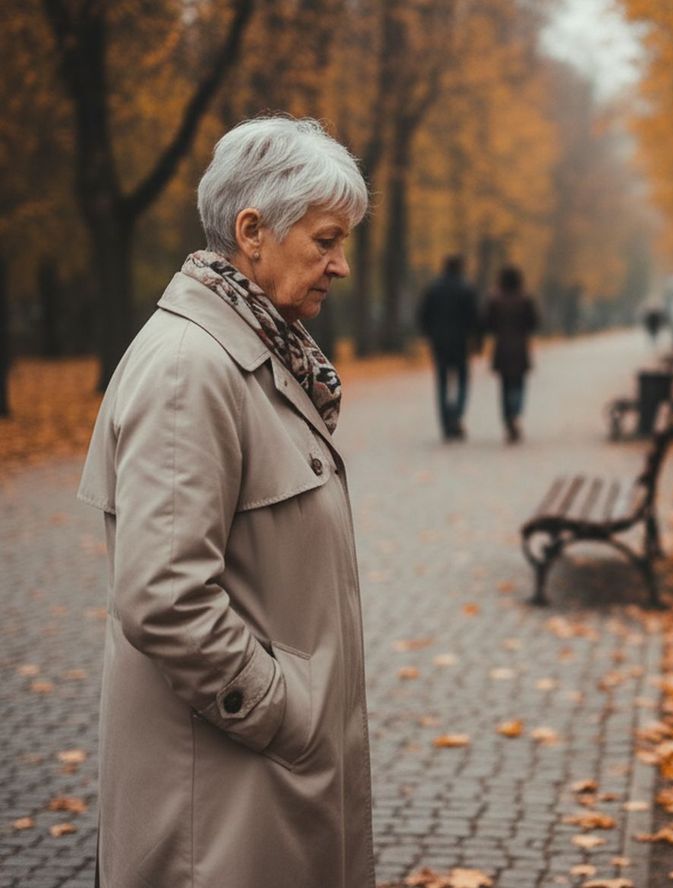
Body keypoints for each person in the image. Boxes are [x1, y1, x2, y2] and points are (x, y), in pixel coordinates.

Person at [77, 117, 375, 888]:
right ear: (252, 231)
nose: (341, 265)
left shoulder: (253, 353)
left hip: (258, 784)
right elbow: (164, 596)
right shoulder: (191, 369)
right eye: (326, 239)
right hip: (219, 803)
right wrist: (286, 714)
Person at [417, 254, 481, 440]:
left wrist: (429, 334)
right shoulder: (466, 289)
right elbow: (473, 317)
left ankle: (446, 422)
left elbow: (423, 314)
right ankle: (456, 416)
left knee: (443, 383)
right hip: (460, 342)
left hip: (439, 342)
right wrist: (476, 341)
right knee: (462, 381)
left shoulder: (433, 289)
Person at [483, 265, 539, 443]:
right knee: (519, 384)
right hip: (520, 347)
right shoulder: (525, 299)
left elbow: (488, 324)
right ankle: (516, 413)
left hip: (502, 347)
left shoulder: (495, 300)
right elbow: (534, 322)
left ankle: (508, 418)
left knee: (505, 385)